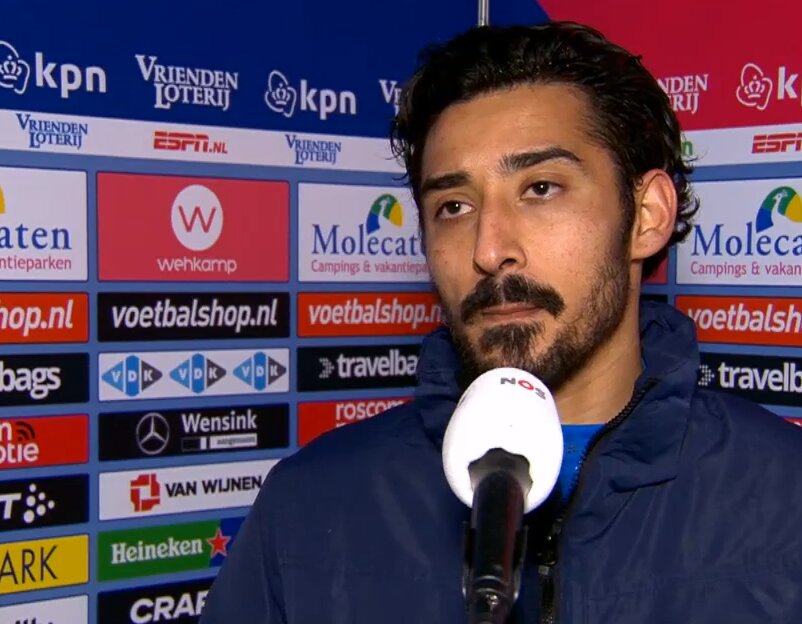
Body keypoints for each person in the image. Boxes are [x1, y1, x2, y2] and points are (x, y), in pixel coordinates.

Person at [200, 21, 802, 623]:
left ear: (646, 215)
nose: (489, 250)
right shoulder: (308, 506)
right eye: (454, 206)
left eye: (540, 188)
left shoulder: (785, 498)